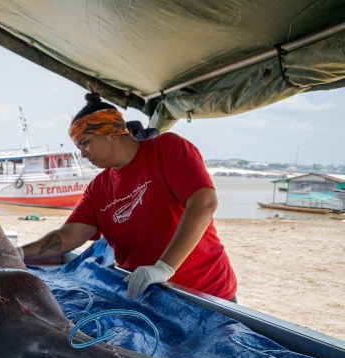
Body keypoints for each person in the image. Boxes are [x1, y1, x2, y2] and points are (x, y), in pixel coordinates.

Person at [17, 93, 237, 301]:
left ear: (111, 133)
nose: (82, 153)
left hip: (207, 292)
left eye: (85, 142)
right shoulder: (99, 187)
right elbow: (68, 236)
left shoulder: (167, 149)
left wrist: (164, 267)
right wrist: (18, 253)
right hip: (148, 296)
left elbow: (204, 203)